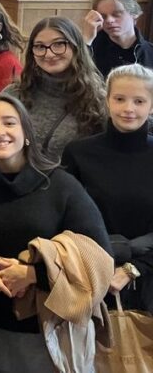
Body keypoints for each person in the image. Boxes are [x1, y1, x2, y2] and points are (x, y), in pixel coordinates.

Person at [0, 94, 110, 372]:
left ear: (26, 133)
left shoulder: (60, 185)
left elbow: (98, 255)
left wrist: (33, 274)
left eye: (9, 123)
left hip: (50, 331)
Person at [63, 64, 153, 312]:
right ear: (107, 100)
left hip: (149, 277)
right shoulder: (78, 153)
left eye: (139, 101)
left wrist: (132, 269)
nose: (128, 108)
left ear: (151, 106)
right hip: (92, 277)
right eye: (120, 99)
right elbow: (66, 218)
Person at [4, 16, 106, 161]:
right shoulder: (13, 95)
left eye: (58, 44)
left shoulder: (98, 99)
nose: (49, 54)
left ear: (75, 46)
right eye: (40, 46)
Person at [82, 0, 153, 77]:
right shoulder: (91, 48)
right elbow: (74, 77)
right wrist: (86, 40)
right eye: (103, 16)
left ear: (134, 14)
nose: (109, 20)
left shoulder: (149, 53)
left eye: (116, 14)